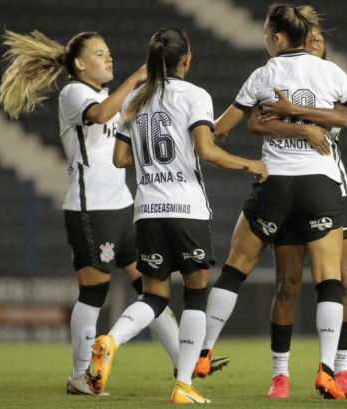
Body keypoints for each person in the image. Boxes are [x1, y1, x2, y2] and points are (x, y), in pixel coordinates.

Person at [193, 4, 347, 400]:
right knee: (329, 279)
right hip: (319, 185)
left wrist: (197, 127)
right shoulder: (331, 71)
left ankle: (203, 353)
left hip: (274, 182)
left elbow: (223, 129)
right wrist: (309, 126)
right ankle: (328, 372)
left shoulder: (263, 74)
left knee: (236, 267)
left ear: (277, 37)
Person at [84, 27, 267, 404]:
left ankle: (110, 339)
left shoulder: (135, 97)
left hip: (147, 211)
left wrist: (152, 160)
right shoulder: (195, 95)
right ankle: (184, 385)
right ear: (185, 59)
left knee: (154, 297)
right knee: (197, 295)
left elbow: (119, 158)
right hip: (186, 210)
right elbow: (207, 150)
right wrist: (249, 164)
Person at [0, 29, 181, 396]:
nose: (109, 57)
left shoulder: (103, 94)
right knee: (93, 293)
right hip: (91, 210)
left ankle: (186, 362)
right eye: (100, 53)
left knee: (151, 289)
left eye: (109, 51)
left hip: (123, 206)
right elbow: (98, 116)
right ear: (80, 64)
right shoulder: (74, 93)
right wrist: (133, 79)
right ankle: (81, 375)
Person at [251, 27, 347, 399]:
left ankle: (340, 370)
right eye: (308, 39)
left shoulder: (333, 85)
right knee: (287, 284)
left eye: (320, 39)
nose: (314, 43)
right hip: (286, 189)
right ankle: (280, 374)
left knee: (343, 281)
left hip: (330, 190)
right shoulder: (274, 80)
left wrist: (296, 112)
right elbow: (255, 121)